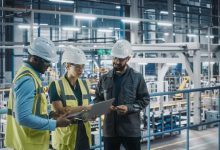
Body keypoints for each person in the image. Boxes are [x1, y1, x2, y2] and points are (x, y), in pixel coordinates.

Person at [5, 37, 71, 150]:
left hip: (30, 142)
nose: (49, 66)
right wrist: (55, 124)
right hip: (28, 144)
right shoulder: (28, 79)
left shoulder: (32, 76)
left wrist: (51, 114)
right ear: (34, 59)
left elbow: (35, 108)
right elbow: (24, 118)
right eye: (46, 62)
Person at [94, 40, 150, 150]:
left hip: (130, 130)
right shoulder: (104, 79)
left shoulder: (137, 78)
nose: (116, 61)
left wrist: (129, 108)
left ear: (128, 59)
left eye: (120, 59)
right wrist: (104, 107)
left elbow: (145, 99)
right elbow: (97, 99)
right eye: (114, 58)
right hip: (110, 130)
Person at [48, 46, 92, 150]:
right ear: (67, 66)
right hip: (66, 135)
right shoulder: (56, 85)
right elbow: (61, 112)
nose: (81, 70)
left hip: (83, 133)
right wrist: (86, 108)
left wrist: (91, 114)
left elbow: (88, 108)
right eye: (77, 66)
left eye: (82, 66)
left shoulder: (85, 84)